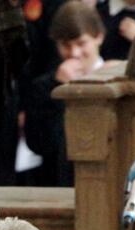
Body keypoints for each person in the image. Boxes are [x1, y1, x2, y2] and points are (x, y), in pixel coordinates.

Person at [25, 1, 110, 186]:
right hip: (58, 182)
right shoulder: (43, 87)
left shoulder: (115, 79)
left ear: (99, 37)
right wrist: (58, 88)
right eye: (66, 45)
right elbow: (41, 144)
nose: (74, 53)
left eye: (81, 43)